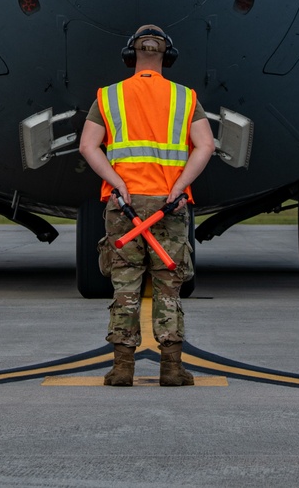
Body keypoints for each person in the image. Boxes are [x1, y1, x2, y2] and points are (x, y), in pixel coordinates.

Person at [79, 24, 215, 387]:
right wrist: (179, 187)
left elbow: (88, 145)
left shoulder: (108, 97)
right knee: (168, 286)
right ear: (167, 56)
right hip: (169, 205)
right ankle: (171, 369)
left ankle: (122, 368)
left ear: (130, 56)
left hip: (124, 205)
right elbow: (206, 145)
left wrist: (118, 183)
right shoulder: (186, 98)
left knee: (125, 284)